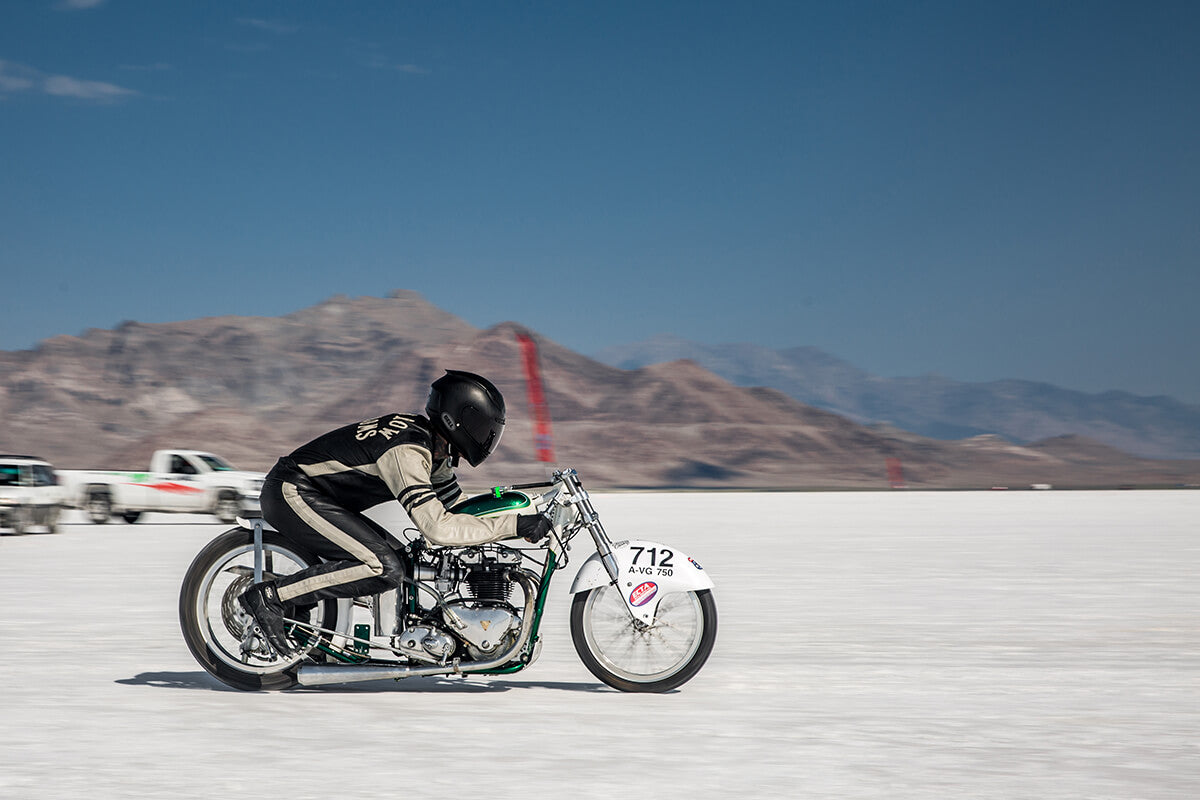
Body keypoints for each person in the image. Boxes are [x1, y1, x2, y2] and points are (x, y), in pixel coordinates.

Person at [239, 370, 552, 657]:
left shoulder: (433, 450)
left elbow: (457, 510)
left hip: (318, 497)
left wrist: (525, 510)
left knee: (401, 560)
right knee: (383, 568)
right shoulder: (408, 451)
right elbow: (438, 528)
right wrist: (512, 525)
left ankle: (310, 631)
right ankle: (271, 597)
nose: (487, 436)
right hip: (293, 491)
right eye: (484, 427)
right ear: (459, 419)